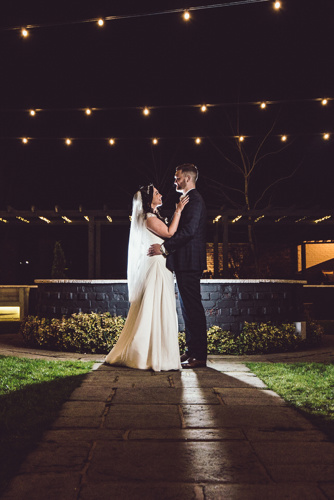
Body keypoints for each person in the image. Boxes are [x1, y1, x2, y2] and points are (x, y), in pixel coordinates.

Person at [105, 184, 189, 371]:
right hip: (156, 267)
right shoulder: (149, 218)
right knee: (155, 307)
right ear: (149, 199)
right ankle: (145, 354)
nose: (161, 195)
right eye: (157, 193)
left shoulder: (152, 216)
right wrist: (179, 211)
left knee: (158, 306)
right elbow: (169, 233)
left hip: (160, 263)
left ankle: (157, 353)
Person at [148, 164, 207, 369]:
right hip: (185, 263)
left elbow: (189, 231)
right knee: (187, 308)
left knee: (193, 309)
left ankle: (199, 355)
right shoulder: (186, 200)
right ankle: (191, 351)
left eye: (178, 178)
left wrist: (164, 248)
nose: (175, 181)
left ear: (188, 179)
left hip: (190, 262)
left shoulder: (195, 200)